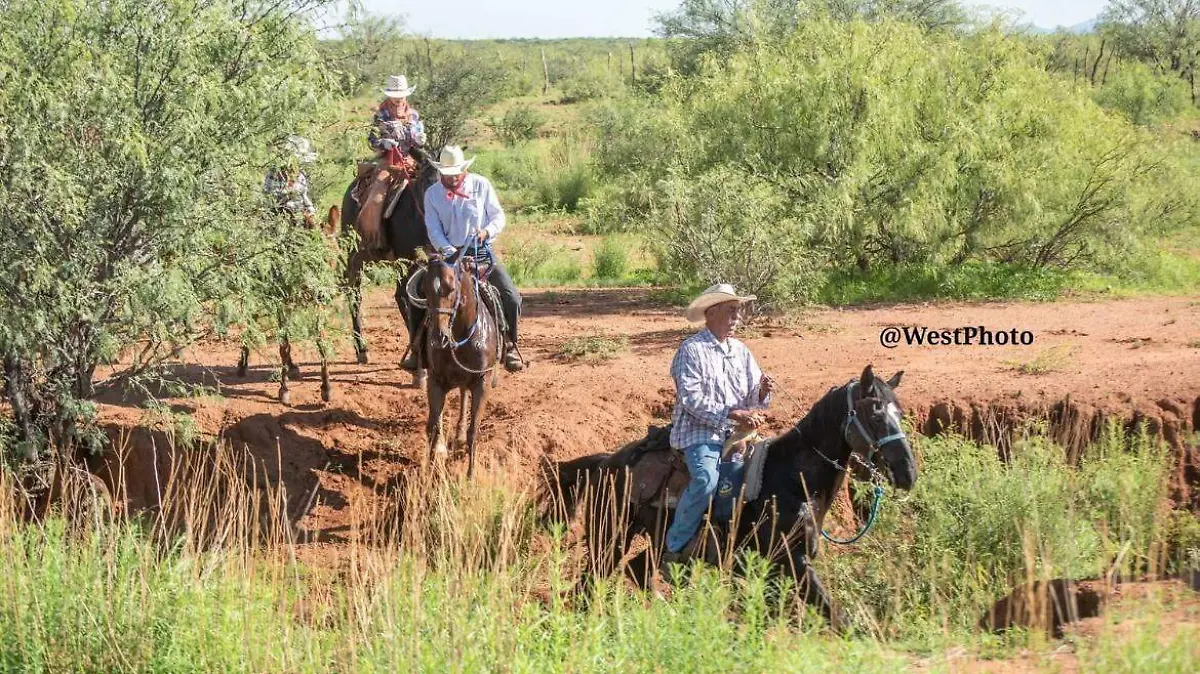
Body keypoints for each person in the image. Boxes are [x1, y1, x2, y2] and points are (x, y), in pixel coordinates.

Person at [662, 283, 773, 565]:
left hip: (736, 433)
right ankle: (674, 547)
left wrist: (760, 394)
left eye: (739, 312)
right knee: (706, 479)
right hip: (699, 432)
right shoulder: (691, 350)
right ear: (711, 313)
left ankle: (729, 541)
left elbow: (754, 399)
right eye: (731, 311)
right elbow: (691, 400)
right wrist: (734, 414)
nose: (737, 318)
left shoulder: (741, 351)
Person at [420, 145, 525, 373]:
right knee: (421, 293)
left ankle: (509, 345)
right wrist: (450, 253)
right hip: (448, 256)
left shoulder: (481, 185)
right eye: (447, 174)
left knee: (511, 297)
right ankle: (419, 352)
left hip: (480, 252)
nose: (452, 178)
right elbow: (433, 229)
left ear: (464, 170)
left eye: (456, 173)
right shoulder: (432, 195)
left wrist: (486, 231)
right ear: (441, 173)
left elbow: (498, 216)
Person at [354, 75, 427, 248]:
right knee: (377, 195)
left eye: (400, 94)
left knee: (432, 184)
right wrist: (383, 143)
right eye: (394, 94)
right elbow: (372, 140)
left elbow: (417, 139)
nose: (397, 98)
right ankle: (373, 237)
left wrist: (420, 139)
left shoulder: (413, 115)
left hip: (412, 159)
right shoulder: (381, 114)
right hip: (389, 161)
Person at [263, 134, 317, 223]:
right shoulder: (274, 175)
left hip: (298, 218)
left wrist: (311, 212)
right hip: (277, 218)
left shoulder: (300, 177)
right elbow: (271, 198)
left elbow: (304, 197)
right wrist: (289, 195)